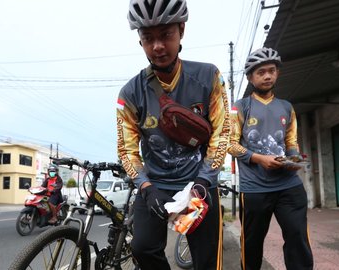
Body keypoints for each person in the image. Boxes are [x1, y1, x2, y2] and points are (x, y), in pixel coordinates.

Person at [116, 0, 231, 269]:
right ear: (140, 41)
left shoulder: (209, 76)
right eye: (148, 38)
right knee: (142, 248)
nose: (157, 46)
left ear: (181, 30)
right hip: (155, 186)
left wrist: (205, 180)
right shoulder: (130, 93)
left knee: (206, 261)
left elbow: (223, 132)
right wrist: (145, 186)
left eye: (166, 35)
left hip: (197, 185)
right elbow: (127, 150)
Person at [227, 47, 314, 270]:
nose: (267, 76)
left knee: (298, 239)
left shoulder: (286, 107)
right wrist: (258, 158)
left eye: (271, 71)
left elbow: (291, 142)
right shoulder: (240, 107)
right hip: (255, 189)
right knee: (252, 244)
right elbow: (228, 144)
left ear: (277, 73)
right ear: (250, 77)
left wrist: (293, 159)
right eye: (261, 72)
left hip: (289, 186)